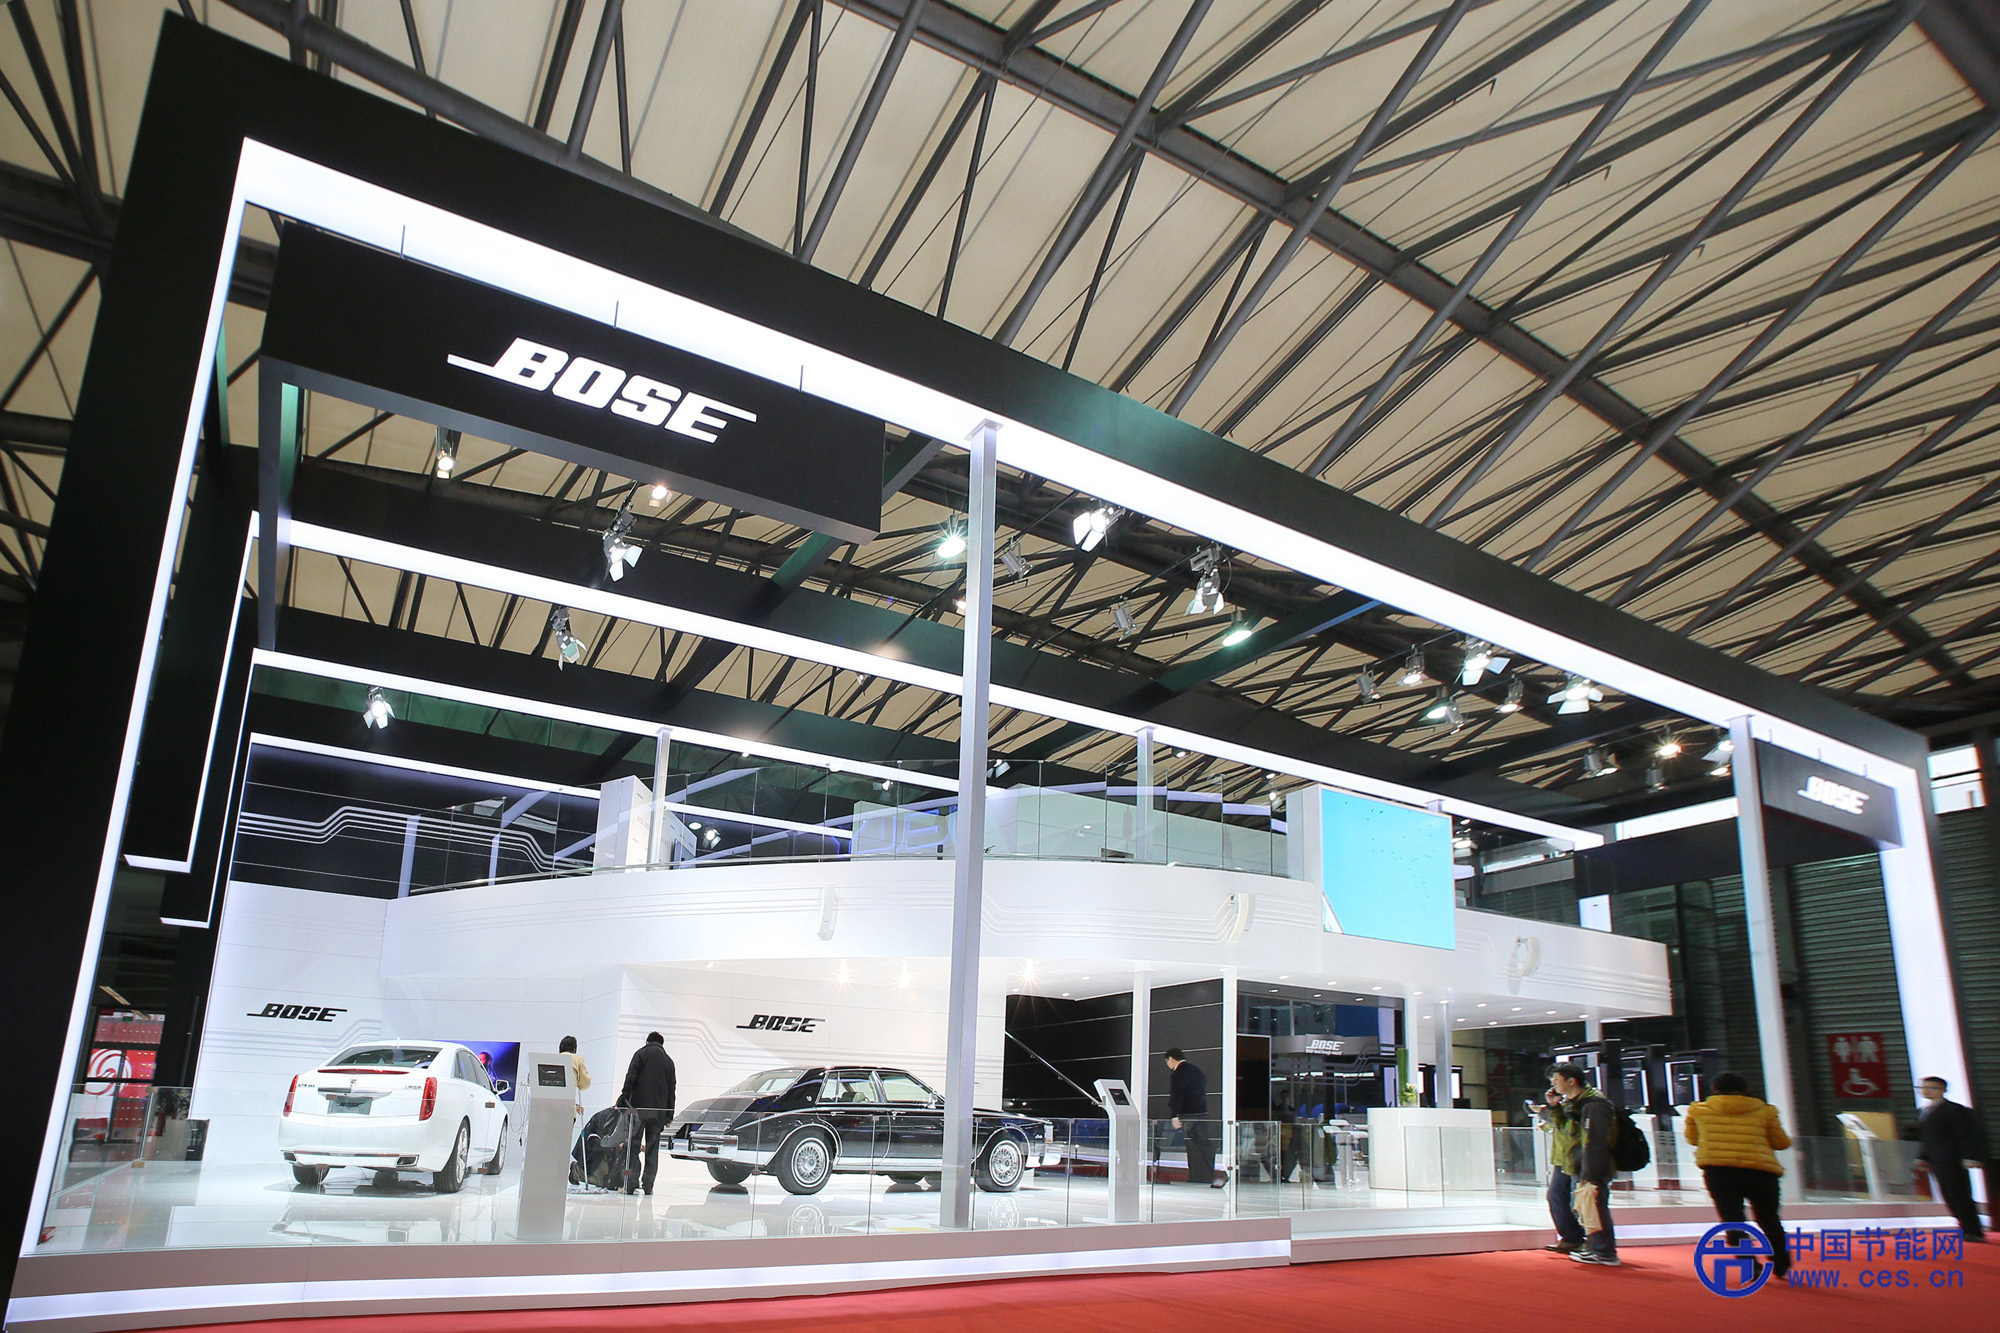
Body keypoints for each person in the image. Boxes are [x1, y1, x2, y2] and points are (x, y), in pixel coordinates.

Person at [1685, 1071, 1792, 1278]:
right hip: (1761, 1172)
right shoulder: (1765, 1111)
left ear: (1715, 1089)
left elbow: (1692, 1139)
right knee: (1769, 1219)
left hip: (1719, 1172)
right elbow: (1782, 1143)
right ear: (1745, 1089)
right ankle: (1781, 1262)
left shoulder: (1698, 1111)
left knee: (1733, 1220)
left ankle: (1749, 1265)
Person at [1546, 1062, 1619, 1267]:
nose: (1553, 1084)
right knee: (1559, 1198)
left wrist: (1590, 1172)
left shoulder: (1594, 1105)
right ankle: (1576, 1240)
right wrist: (1554, 1107)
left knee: (1591, 1205)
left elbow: (1595, 1140)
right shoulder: (1572, 1103)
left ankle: (1603, 1251)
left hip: (1587, 1163)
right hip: (1569, 1160)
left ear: (1571, 1081)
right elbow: (1565, 1128)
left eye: (1556, 1080)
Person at [1916, 1076, 1988, 1241]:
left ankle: (1973, 1230)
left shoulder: (1954, 1110)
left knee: (1959, 1194)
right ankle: (1963, 1226)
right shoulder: (1924, 1111)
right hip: (1936, 1159)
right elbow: (1926, 1138)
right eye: (1923, 1087)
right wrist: (1923, 1158)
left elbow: (1964, 1135)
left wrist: (1969, 1156)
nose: (1926, 1091)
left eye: (1931, 1087)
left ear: (1943, 1090)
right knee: (1948, 1194)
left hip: (1952, 1158)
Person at [618, 1031, 677, 1196]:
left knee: (633, 1147)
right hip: (658, 1113)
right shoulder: (669, 1062)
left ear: (648, 1042)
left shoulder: (640, 1054)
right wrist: (669, 1115)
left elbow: (630, 1078)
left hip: (638, 1109)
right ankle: (648, 1185)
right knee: (652, 1148)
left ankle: (629, 1185)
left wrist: (623, 1098)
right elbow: (671, 1091)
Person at [1165, 1048, 1222, 1188]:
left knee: (1192, 1146)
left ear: (1171, 1058)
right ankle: (1207, 1176)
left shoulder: (1178, 1073)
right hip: (1202, 1113)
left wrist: (1174, 1115)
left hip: (1187, 1115)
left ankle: (1196, 1177)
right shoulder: (1198, 1071)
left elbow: (1177, 1096)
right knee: (1204, 1146)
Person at [560, 1035, 591, 1120]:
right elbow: (584, 1084)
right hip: (568, 1111)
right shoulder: (577, 1059)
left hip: (550, 1110)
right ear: (574, 1049)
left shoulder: (555, 1059)